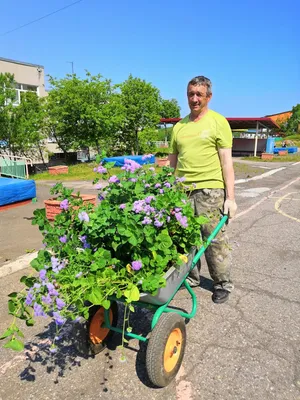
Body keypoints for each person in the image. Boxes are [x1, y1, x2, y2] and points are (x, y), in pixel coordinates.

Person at [168, 75, 237, 304]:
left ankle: (222, 284)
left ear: (209, 96)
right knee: (185, 238)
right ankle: (191, 278)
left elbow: (227, 162)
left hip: (210, 191)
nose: (194, 99)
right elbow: (172, 163)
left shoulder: (218, 122)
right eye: (191, 94)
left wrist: (231, 198)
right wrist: (168, 192)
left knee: (214, 239)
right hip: (182, 191)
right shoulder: (179, 127)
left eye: (199, 94)